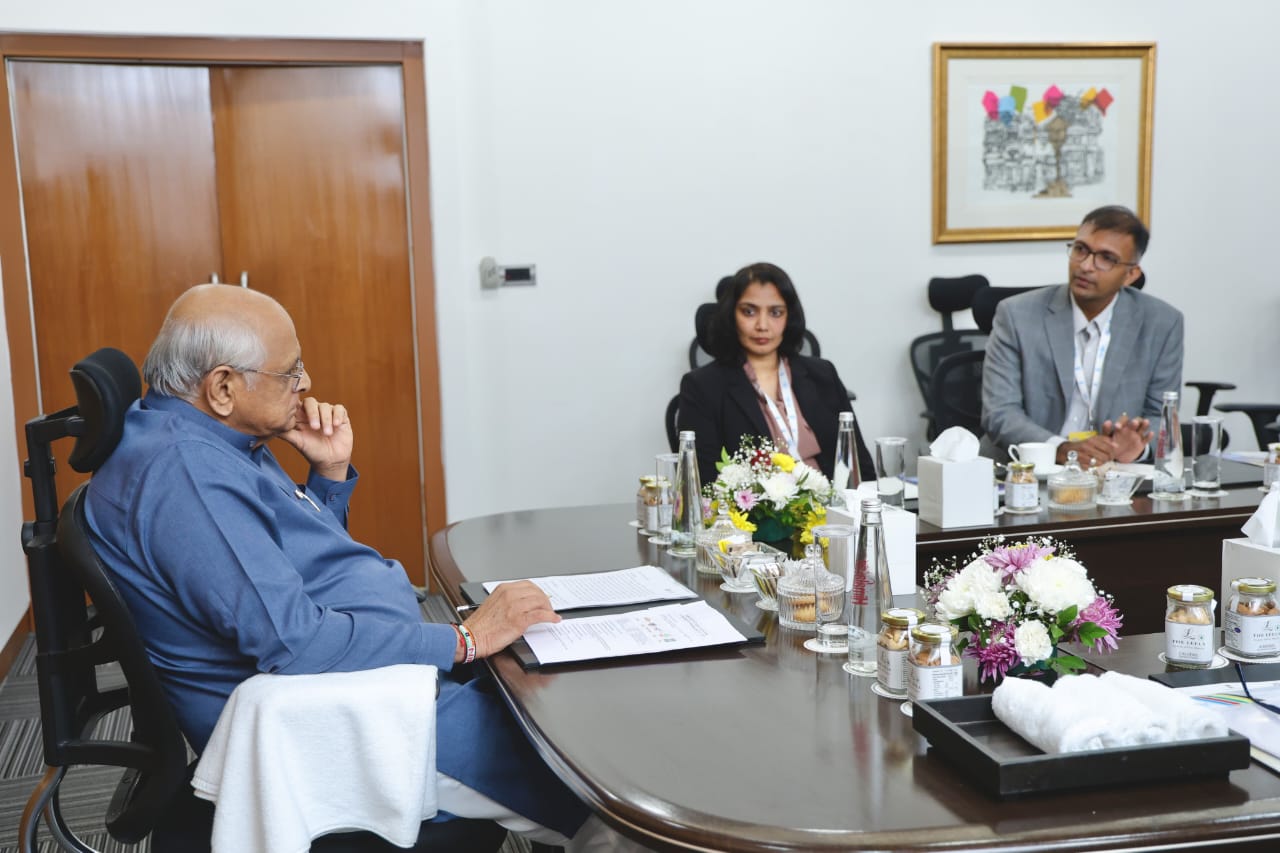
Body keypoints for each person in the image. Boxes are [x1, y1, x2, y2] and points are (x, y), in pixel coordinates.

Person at [84, 284, 641, 850]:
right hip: (342, 713)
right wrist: (464, 642)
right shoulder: (187, 475)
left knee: (559, 702)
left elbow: (287, 565)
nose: (305, 383)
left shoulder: (208, 437)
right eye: (289, 372)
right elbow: (293, 643)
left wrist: (328, 477)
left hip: (368, 673)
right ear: (223, 386)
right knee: (606, 791)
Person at [980, 206, 1183, 465]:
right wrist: (1061, 449)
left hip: (1112, 472)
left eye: (1106, 258)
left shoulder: (1162, 323)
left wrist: (1136, 448)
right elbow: (1000, 413)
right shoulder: (1016, 315)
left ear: (1131, 274)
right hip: (1026, 471)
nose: (1086, 266)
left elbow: (1162, 417)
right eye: (1080, 249)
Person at [677, 262, 874, 487]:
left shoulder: (823, 374)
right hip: (758, 509)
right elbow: (705, 485)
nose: (763, 325)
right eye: (749, 312)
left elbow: (862, 468)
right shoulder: (702, 386)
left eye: (776, 313)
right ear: (731, 316)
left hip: (836, 506)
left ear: (789, 317)